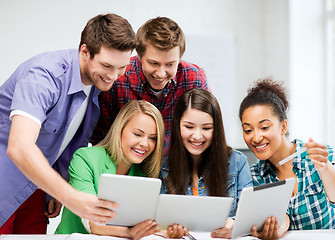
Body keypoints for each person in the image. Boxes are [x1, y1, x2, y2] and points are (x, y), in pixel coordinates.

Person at [0, 13, 137, 234]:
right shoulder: (44, 77)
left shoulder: (94, 84)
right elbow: (19, 146)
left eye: (122, 68)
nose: (114, 76)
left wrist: (56, 187)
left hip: (34, 188)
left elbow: (61, 141)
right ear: (84, 51)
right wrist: (70, 195)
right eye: (107, 66)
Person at [90, 16, 209, 162]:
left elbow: (204, 129)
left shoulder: (194, 78)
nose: (161, 73)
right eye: (153, 63)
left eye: (170, 64)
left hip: (176, 166)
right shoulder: (118, 79)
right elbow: (101, 136)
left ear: (180, 58)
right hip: (125, 165)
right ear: (139, 55)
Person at [238, 78, 335, 239]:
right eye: (248, 130)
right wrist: (277, 228)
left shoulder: (320, 157)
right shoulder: (254, 176)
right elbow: (281, 216)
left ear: (283, 126)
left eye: (264, 127)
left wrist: (325, 167)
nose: (255, 137)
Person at [55, 100, 164, 239]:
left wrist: (168, 231)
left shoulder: (143, 174)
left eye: (153, 138)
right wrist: (129, 233)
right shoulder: (85, 158)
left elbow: (145, 225)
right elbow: (91, 220)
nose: (145, 144)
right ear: (120, 130)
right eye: (137, 134)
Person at [160, 88, 253, 238]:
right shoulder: (165, 168)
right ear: (178, 126)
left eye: (207, 128)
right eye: (189, 127)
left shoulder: (237, 162)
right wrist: (169, 230)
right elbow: (158, 223)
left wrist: (234, 225)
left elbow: (250, 217)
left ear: (216, 129)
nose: (197, 136)